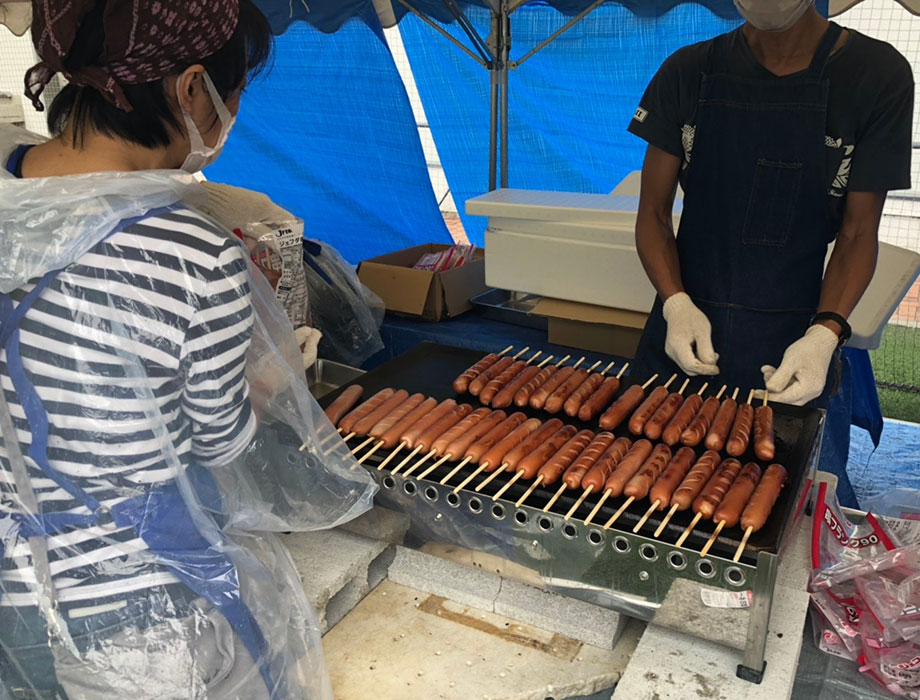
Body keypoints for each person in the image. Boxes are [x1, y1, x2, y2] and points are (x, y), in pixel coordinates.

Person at [0, 1, 375, 698]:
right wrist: (264, 381)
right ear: (192, 88)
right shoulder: (193, 251)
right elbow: (223, 444)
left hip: (16, 593)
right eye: (233, 97)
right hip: (140, 613)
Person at [629, 0, 913, 506]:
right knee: (642, 496)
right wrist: (674, 302)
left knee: (785, 507)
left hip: (793, 343)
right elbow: (652, 212)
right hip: (685, 329)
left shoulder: (877, 75)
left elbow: (857, 232)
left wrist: (826, 334)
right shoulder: (688, 70)